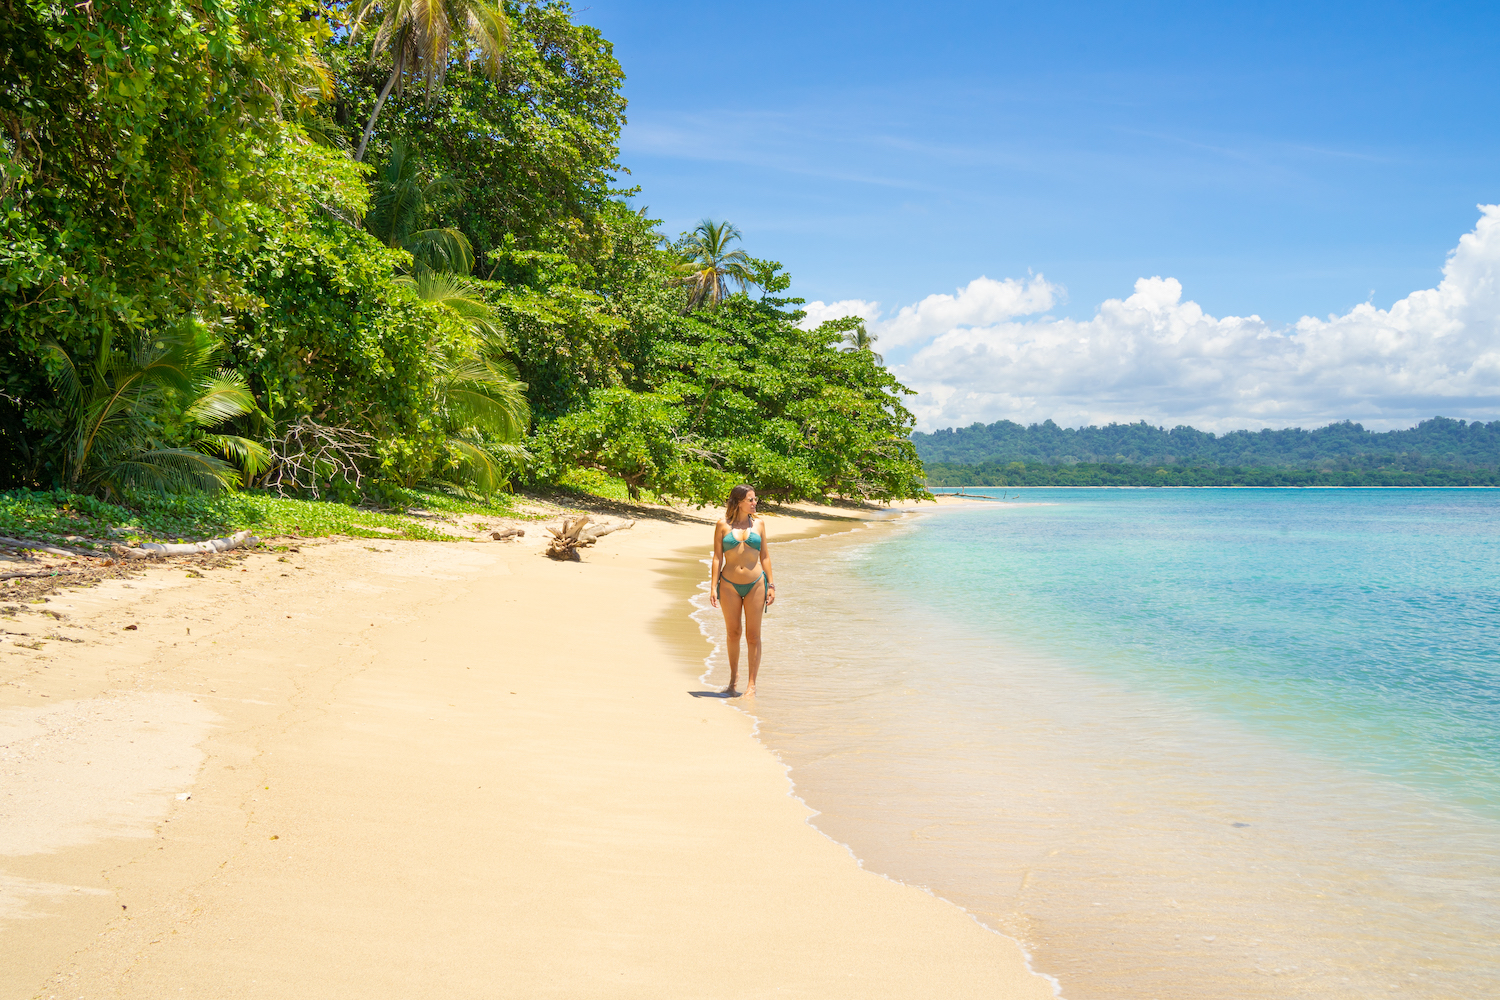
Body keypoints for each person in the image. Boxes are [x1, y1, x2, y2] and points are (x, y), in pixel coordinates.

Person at [708, 483, 776, 696]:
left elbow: (765, 556)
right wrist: (713, 587)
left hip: (756, 583)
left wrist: (771, 585)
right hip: (728, 585)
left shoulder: (760, 525)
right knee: (733, 632)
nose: (755, 503)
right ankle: (733, 679)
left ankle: (751, 685)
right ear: (738, 502)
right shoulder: (722, 525)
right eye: (751, 500)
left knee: (753, 636)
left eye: (755, 499)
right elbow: (717, 557)